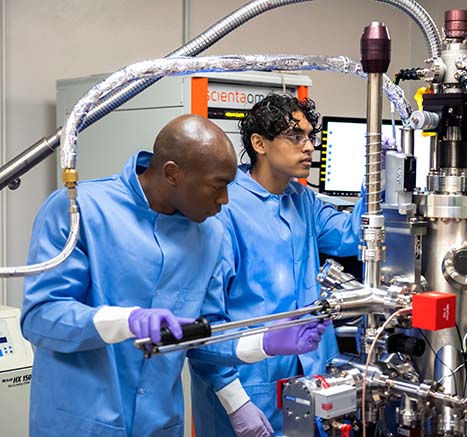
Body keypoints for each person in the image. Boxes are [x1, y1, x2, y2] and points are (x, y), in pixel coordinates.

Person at [21, 113, 329, 437]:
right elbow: (40, 317)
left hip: (159, 424)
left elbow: (202, 339)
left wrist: (264, 342)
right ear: (172, 174)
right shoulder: (80, 210)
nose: (224, 200)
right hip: (79, 423)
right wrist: (125, 321)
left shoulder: (209, 235)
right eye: (217, 186)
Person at [189, 94, 365, 436]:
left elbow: (351, 237)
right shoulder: (223, 210)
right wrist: (236, 402)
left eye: (310, 137)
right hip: (251, 386)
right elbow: (205, 324)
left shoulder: (302, 199)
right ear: (260, 144)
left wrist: (378, 180)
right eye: (296, 137)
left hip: (311, 378)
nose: (309, 147)